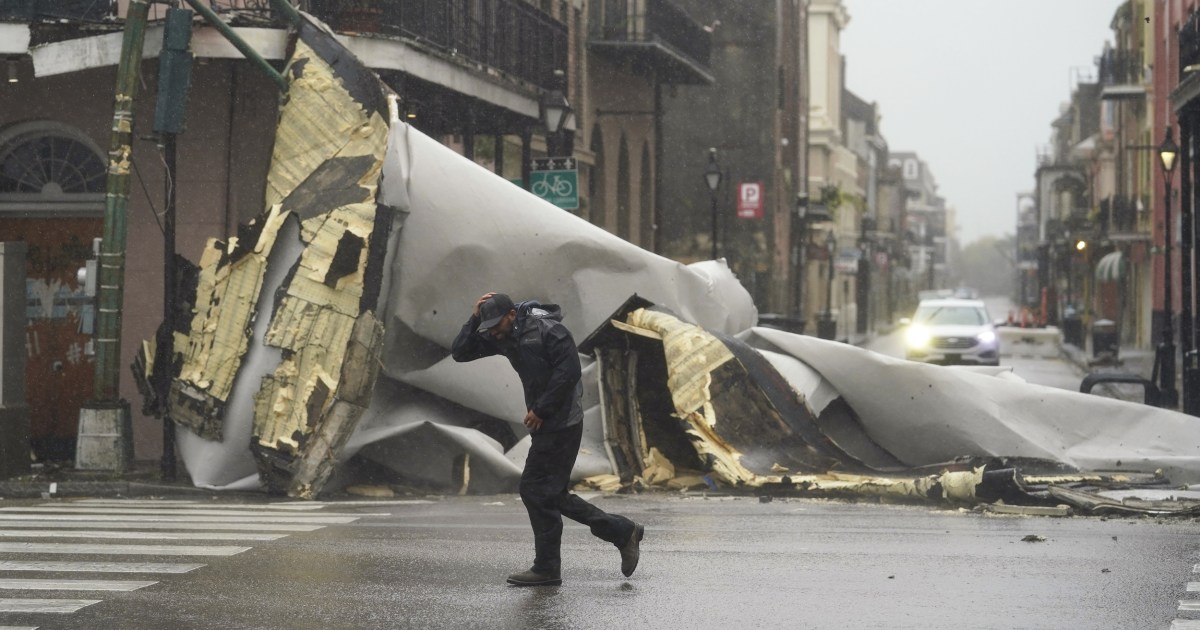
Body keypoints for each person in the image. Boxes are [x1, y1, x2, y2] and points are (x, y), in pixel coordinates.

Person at [452, 292, 644, 587]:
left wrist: (542, 409)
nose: (493, 332)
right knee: (548, 493)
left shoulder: (549, 330)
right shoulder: (502, 334)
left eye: (496, 324)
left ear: (512, 315)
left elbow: (569, 372)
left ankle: (550, 566)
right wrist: (475, 317)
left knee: (536, 490)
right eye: (488, 326)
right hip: (546, 421)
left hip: (563, 420)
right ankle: (617, 533)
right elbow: (461, 352)